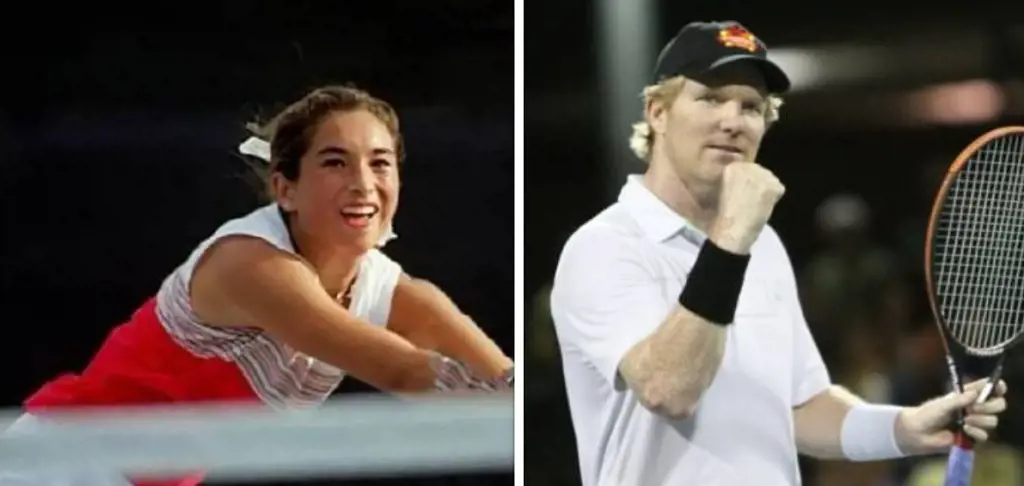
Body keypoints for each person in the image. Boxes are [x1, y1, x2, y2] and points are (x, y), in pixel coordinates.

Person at [548, 20, 1007, 486]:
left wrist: (904, 428)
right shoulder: (604, 247)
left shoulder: (762, 244)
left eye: (750, 107)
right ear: (658, 113)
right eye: (710, 98)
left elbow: (800, 407)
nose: (732, 120)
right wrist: (731, 241)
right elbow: (669, 389)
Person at [2, 85, 513, 486]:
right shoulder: (252, 265)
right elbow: (402, 371)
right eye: (335, 162)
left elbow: (501, 382)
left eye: (380, 162)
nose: (363, 182)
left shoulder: (395, 291)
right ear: (284, 188)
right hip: (55, 467)